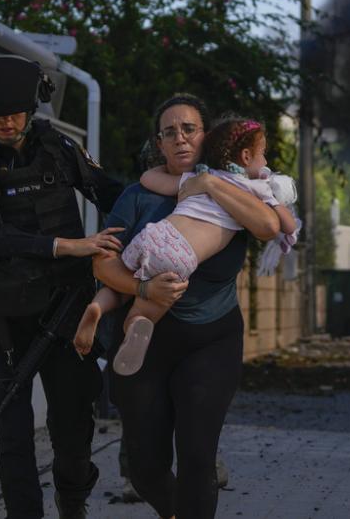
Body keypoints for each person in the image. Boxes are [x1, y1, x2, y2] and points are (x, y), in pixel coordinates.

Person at [0, 56, 125, 519]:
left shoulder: (60, 150)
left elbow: (110, 194)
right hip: (2, 319)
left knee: (72, 428)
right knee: (16, 433)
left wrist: (166, 200)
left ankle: (72, 505)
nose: (7, 121)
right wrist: (67, 245)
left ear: (31, 108)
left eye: (15, 111)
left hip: (66, 311)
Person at [92, 94, 281, 519]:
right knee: (145, 467)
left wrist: (210, 183)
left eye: (189, 129)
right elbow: (103, 262)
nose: (179, 139)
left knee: (198, 455)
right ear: (159, 143)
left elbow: (270, 227)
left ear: (207, 137)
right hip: (145, 340)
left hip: (211, 340)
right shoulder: (138, 195)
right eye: (169, 132)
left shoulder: (235, 188)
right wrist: (144, 291)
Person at [72, 117, 298, 376]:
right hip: (181, 256)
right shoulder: (256, 190)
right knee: (148, 306)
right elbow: (286, 226)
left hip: (155, 234)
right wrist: (279, 202)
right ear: (246, 156)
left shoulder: (200, 176)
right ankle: (137, 324)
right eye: (263, 155)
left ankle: (97, 307)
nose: (266, 162)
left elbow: (149, 178)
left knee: (120, 282)